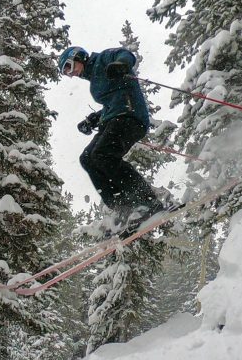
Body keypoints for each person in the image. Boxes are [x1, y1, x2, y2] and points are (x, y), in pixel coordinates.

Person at [58, 45, 168, 230]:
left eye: (69, 67)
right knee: (87, 158)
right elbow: (111, 103)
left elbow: (126, 54)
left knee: (103, 154)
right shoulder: (94, 79)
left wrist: (121, 64)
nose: (71, 73)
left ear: (78, 56)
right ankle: (123, 207)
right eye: (66, 73)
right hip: (112, 118)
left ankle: (148, 202)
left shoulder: (103, 59)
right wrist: (93, 119)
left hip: (130, 116)